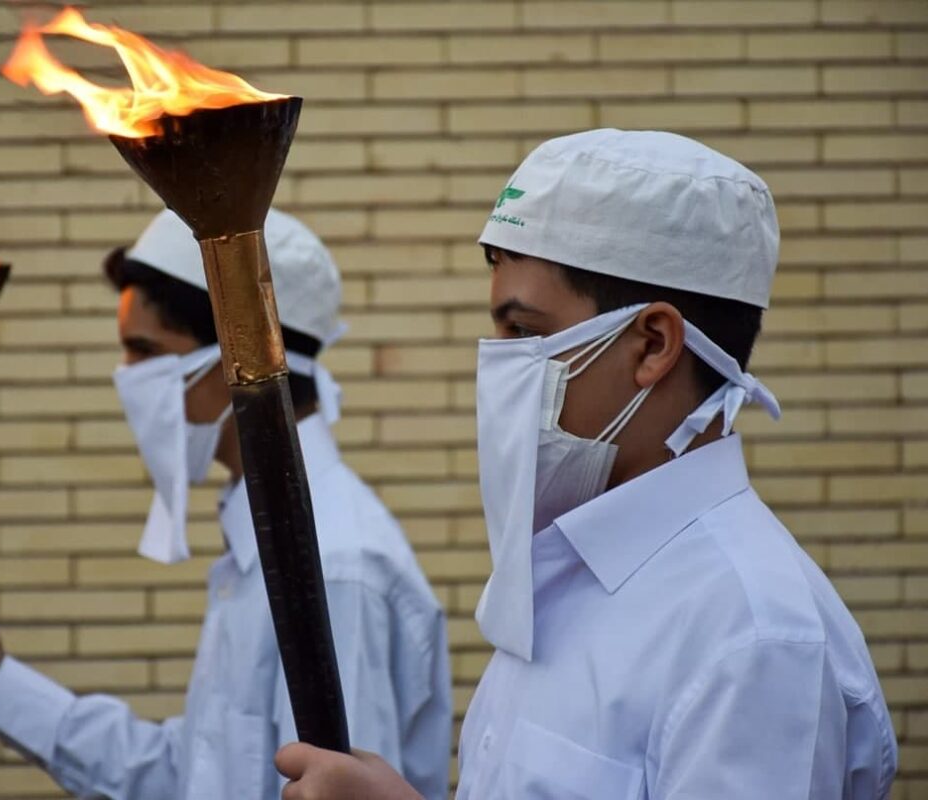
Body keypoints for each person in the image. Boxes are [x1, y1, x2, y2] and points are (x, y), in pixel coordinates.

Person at [276, 129, 898, 799]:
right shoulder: (573, 574)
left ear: (653, 345)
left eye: (525, 333)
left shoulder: (755, 640)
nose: (498, 365)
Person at [0, 209, 452, 799]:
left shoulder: (337, 572)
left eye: (143, 351)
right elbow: (193, 772)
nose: (127, 377)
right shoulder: (265, 545)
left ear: (236, 354)